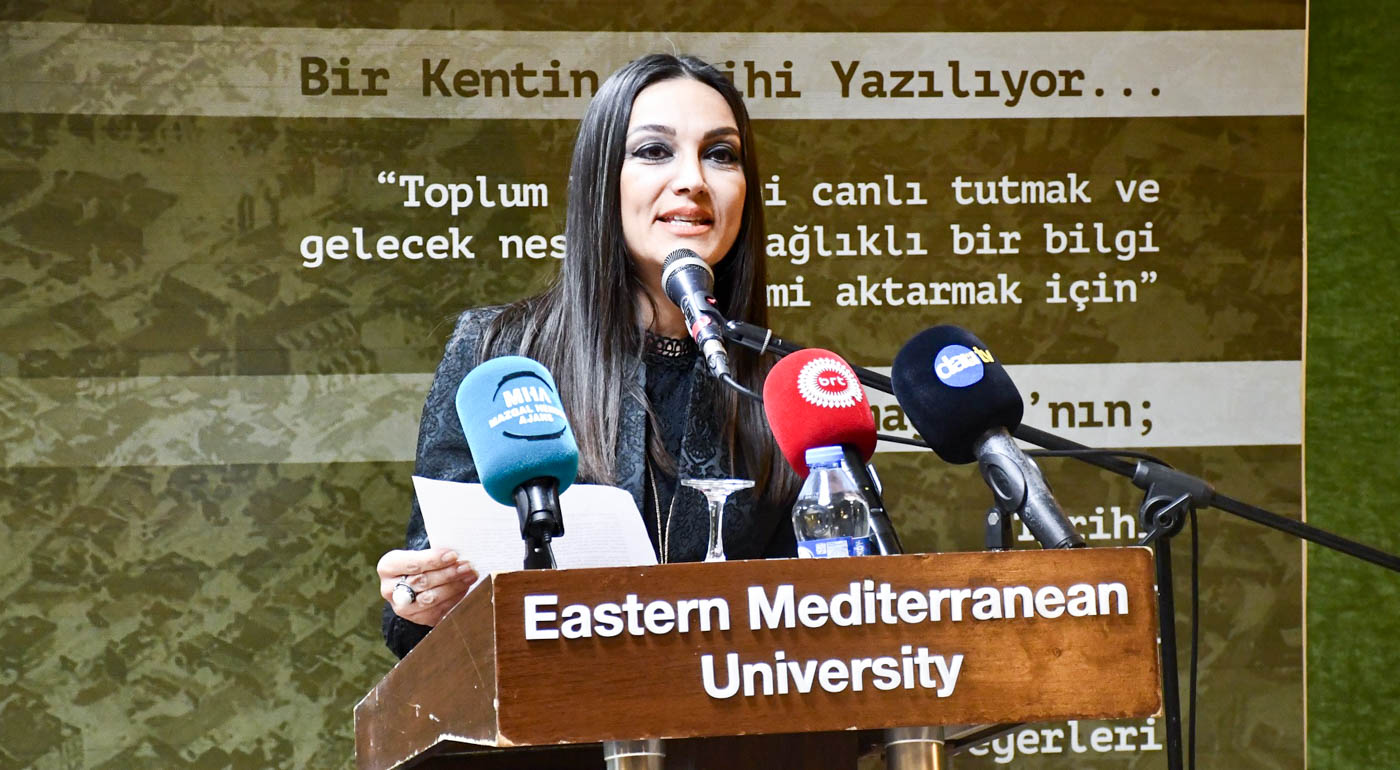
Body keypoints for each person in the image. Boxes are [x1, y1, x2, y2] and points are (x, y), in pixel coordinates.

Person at [376, 54, 801, 658]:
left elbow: (837, 605)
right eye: (654, 151)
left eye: (720, 154)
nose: (693, 179)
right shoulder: (499, 353)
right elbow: (417, 619)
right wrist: (419, 597)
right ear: (603, 179)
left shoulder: (780, 386)